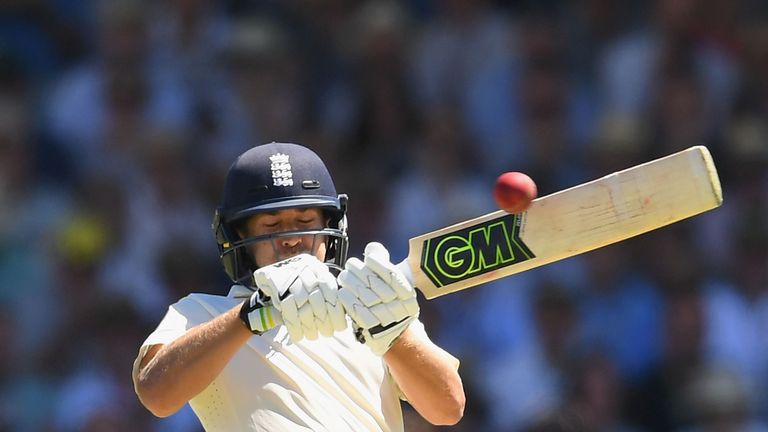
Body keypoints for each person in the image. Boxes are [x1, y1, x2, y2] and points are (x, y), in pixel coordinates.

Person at [132, 142, 465, 431]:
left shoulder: (372, 306)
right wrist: (254, 315)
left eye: (305, 222)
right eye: (272, 225)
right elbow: (156, 393)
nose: (291, 239)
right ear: (241, 239)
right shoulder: (202, 314)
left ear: (330, 227)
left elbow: (448, 407)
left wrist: (395, 335)